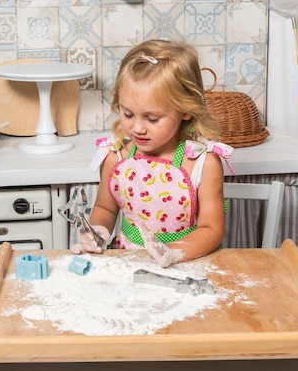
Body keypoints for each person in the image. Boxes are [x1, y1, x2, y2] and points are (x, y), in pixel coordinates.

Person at [73, 39, 234, 267]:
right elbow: (105, 208)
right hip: (128, 263)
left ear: (186, 110)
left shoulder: (203, 163)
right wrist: (97, 232)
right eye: (128, 114)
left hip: (186, 264)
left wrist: (172, 253)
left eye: (152, 118)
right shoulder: (115, 157)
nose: (137, 128)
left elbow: (211, 229)